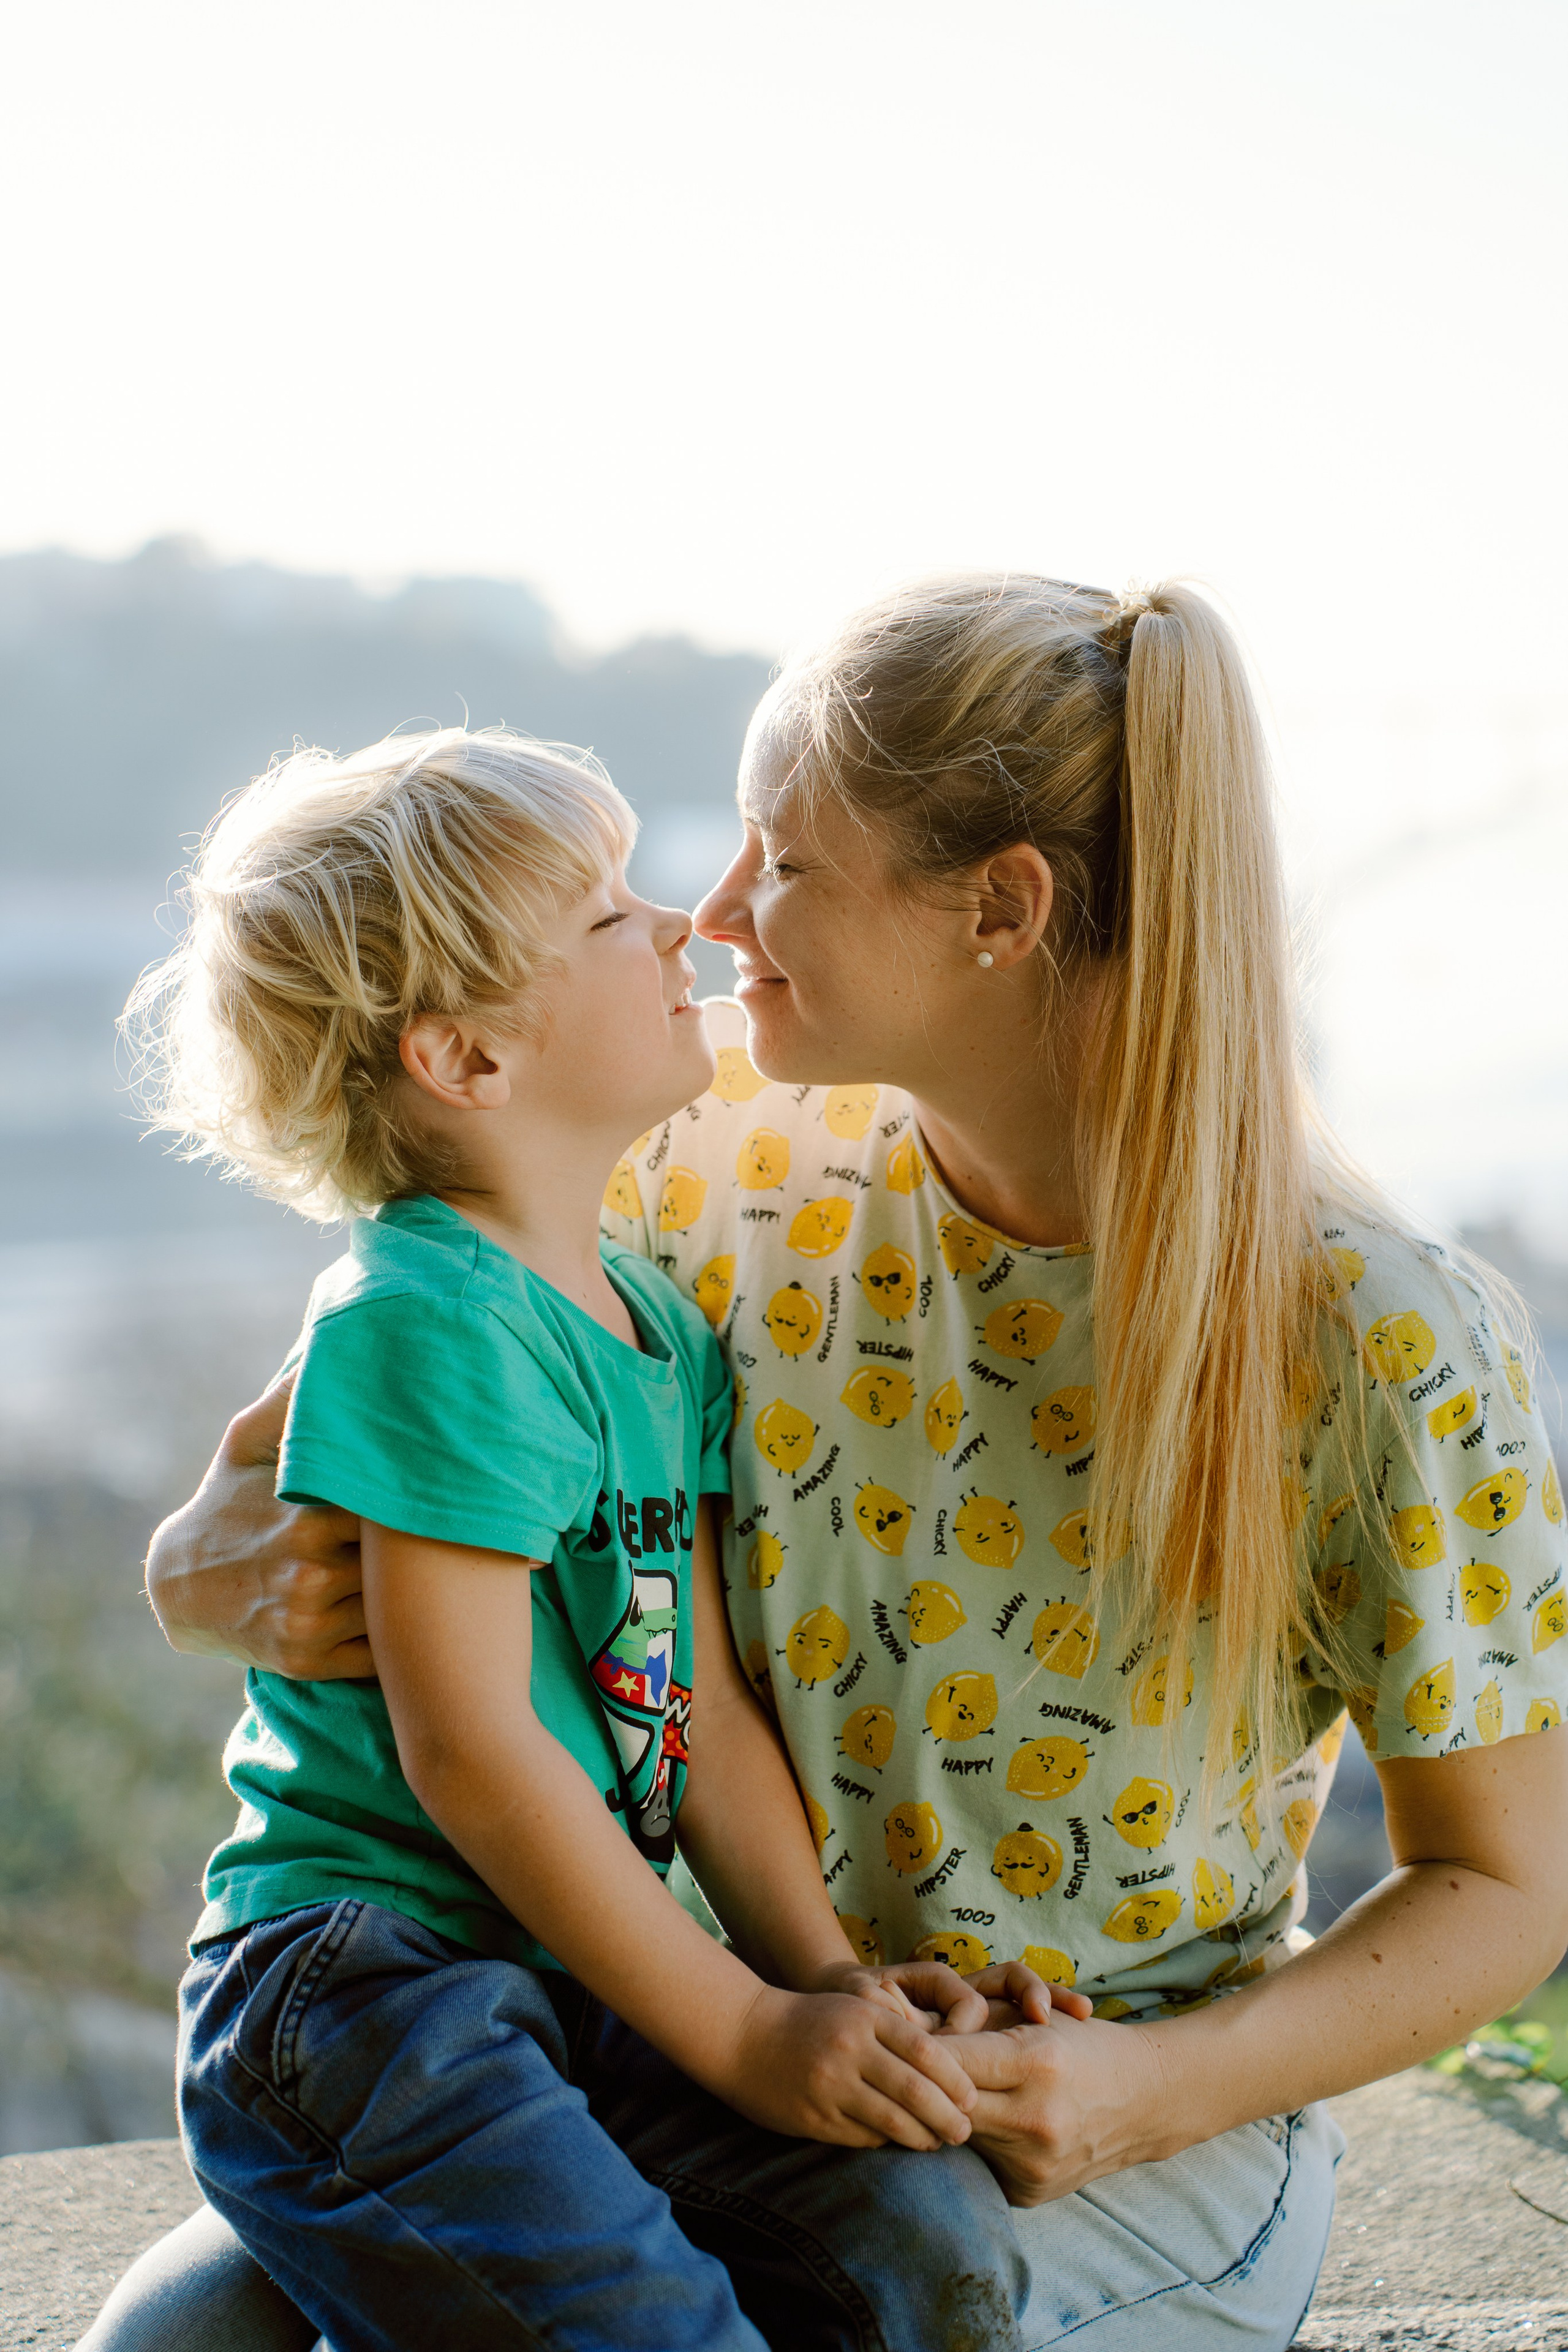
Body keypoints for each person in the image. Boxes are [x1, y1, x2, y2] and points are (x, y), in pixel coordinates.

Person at [105, 578, 1568, 2352]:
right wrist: (201, 1564)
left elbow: (1508, 1888)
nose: (716, 918)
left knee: (905, 2279)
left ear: (998, 912)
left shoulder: (1382, 1340)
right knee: (180, 2341)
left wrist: (1151, 2089)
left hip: (1098, 2116)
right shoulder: (700, 1172)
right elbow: (348, 1448)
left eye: (780, 860)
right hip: (671, 2028)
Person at [102, 725, 1077, 2352]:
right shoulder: (426, 1321)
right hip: (360, 1985)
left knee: (927, 2239)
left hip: (551, 1959)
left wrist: (823, 1985)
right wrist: (746, 2040)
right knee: (638, 2325)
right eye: (613, 919)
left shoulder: (652, 1327)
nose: (681, 930)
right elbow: (474, 1754)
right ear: (468, 1060)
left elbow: (685, 1721)